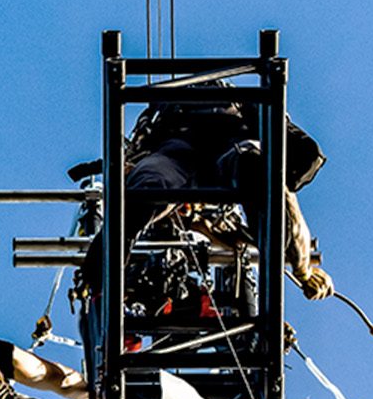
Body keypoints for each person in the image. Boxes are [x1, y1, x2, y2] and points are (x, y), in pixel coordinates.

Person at [81, 100, 337, 303]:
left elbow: (286, 189)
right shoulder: (177, 116)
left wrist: (303, 269)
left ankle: (102, 279)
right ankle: (103, 280)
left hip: (223, 146)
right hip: (180, 148)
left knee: (252, 169)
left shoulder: (246, 115)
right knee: (150, 189)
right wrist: (302, 270)